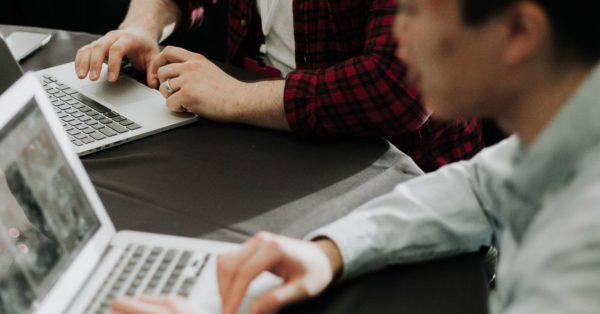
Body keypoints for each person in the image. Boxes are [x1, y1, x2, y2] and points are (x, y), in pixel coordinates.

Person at [110, 0, 600, 313]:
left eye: (414, 11)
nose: (397, 38)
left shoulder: (576, 261)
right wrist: (326, 251)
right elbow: (479, 187)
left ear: (519, 33)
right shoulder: (562, 133)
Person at [73, 0, 484, 172]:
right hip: (267, 139)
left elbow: (399, 87)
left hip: (404, 176)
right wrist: (141, 28)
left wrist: (234, 96)